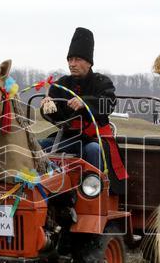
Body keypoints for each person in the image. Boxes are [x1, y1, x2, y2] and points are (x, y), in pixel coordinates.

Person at [40, 27, 127, 193]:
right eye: (70, 59)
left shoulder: (102, 82)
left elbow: (108, 104)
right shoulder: (61, 84)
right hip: (69, 138)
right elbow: (57, 118)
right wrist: (48, 106)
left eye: (77, 59)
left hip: (95, 139)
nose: (72, 64)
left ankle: (93, 192)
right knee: (38, 146)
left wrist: (84, 102)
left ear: (89, 62)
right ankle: (47, 190)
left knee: (93, 150)